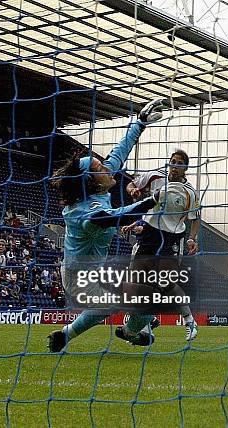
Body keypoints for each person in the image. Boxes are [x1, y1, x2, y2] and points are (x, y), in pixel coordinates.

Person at [47, 99, 166, 352]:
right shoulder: (80, 213)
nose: (107, 167)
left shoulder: (99, 184)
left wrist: (140, 123)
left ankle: (71, 335)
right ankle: (132, 328)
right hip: (78, 278)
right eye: (100, 167)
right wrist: (152, 200)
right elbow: (113, 217)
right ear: (89, 181)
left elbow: (119, 152)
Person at [124, 149, 200, 340]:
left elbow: (195, 218)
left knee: (167, 283)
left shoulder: (190, 191)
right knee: (136, 282)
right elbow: (131, 184)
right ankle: (148, 322)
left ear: (185, 168)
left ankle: (190, 321)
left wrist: (192, 238)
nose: (175, 165)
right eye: (173, 161)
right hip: (148, 235)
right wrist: (133, 189)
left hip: (171, 238)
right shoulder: (155, 176)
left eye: (179, 163)